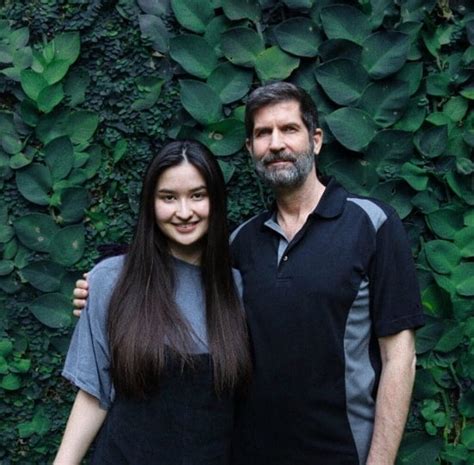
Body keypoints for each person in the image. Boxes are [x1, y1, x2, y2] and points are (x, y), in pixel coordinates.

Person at [73, 82, 425, 465]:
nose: (276, 144)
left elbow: (399, 358)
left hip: (340, 454)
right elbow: (183, 275)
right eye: (262, 133)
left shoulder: (371, 224)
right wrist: (111, 284)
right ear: (250, 149)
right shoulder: (241, 243)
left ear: (316, 139)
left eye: (289, 129)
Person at [55, 140, 251, 465]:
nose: (184, 212)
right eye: (168, 197)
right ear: (150, 203)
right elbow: (93, 394)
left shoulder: (239, 288)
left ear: (216, 201)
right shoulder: (110, 280)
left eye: (197, 195)